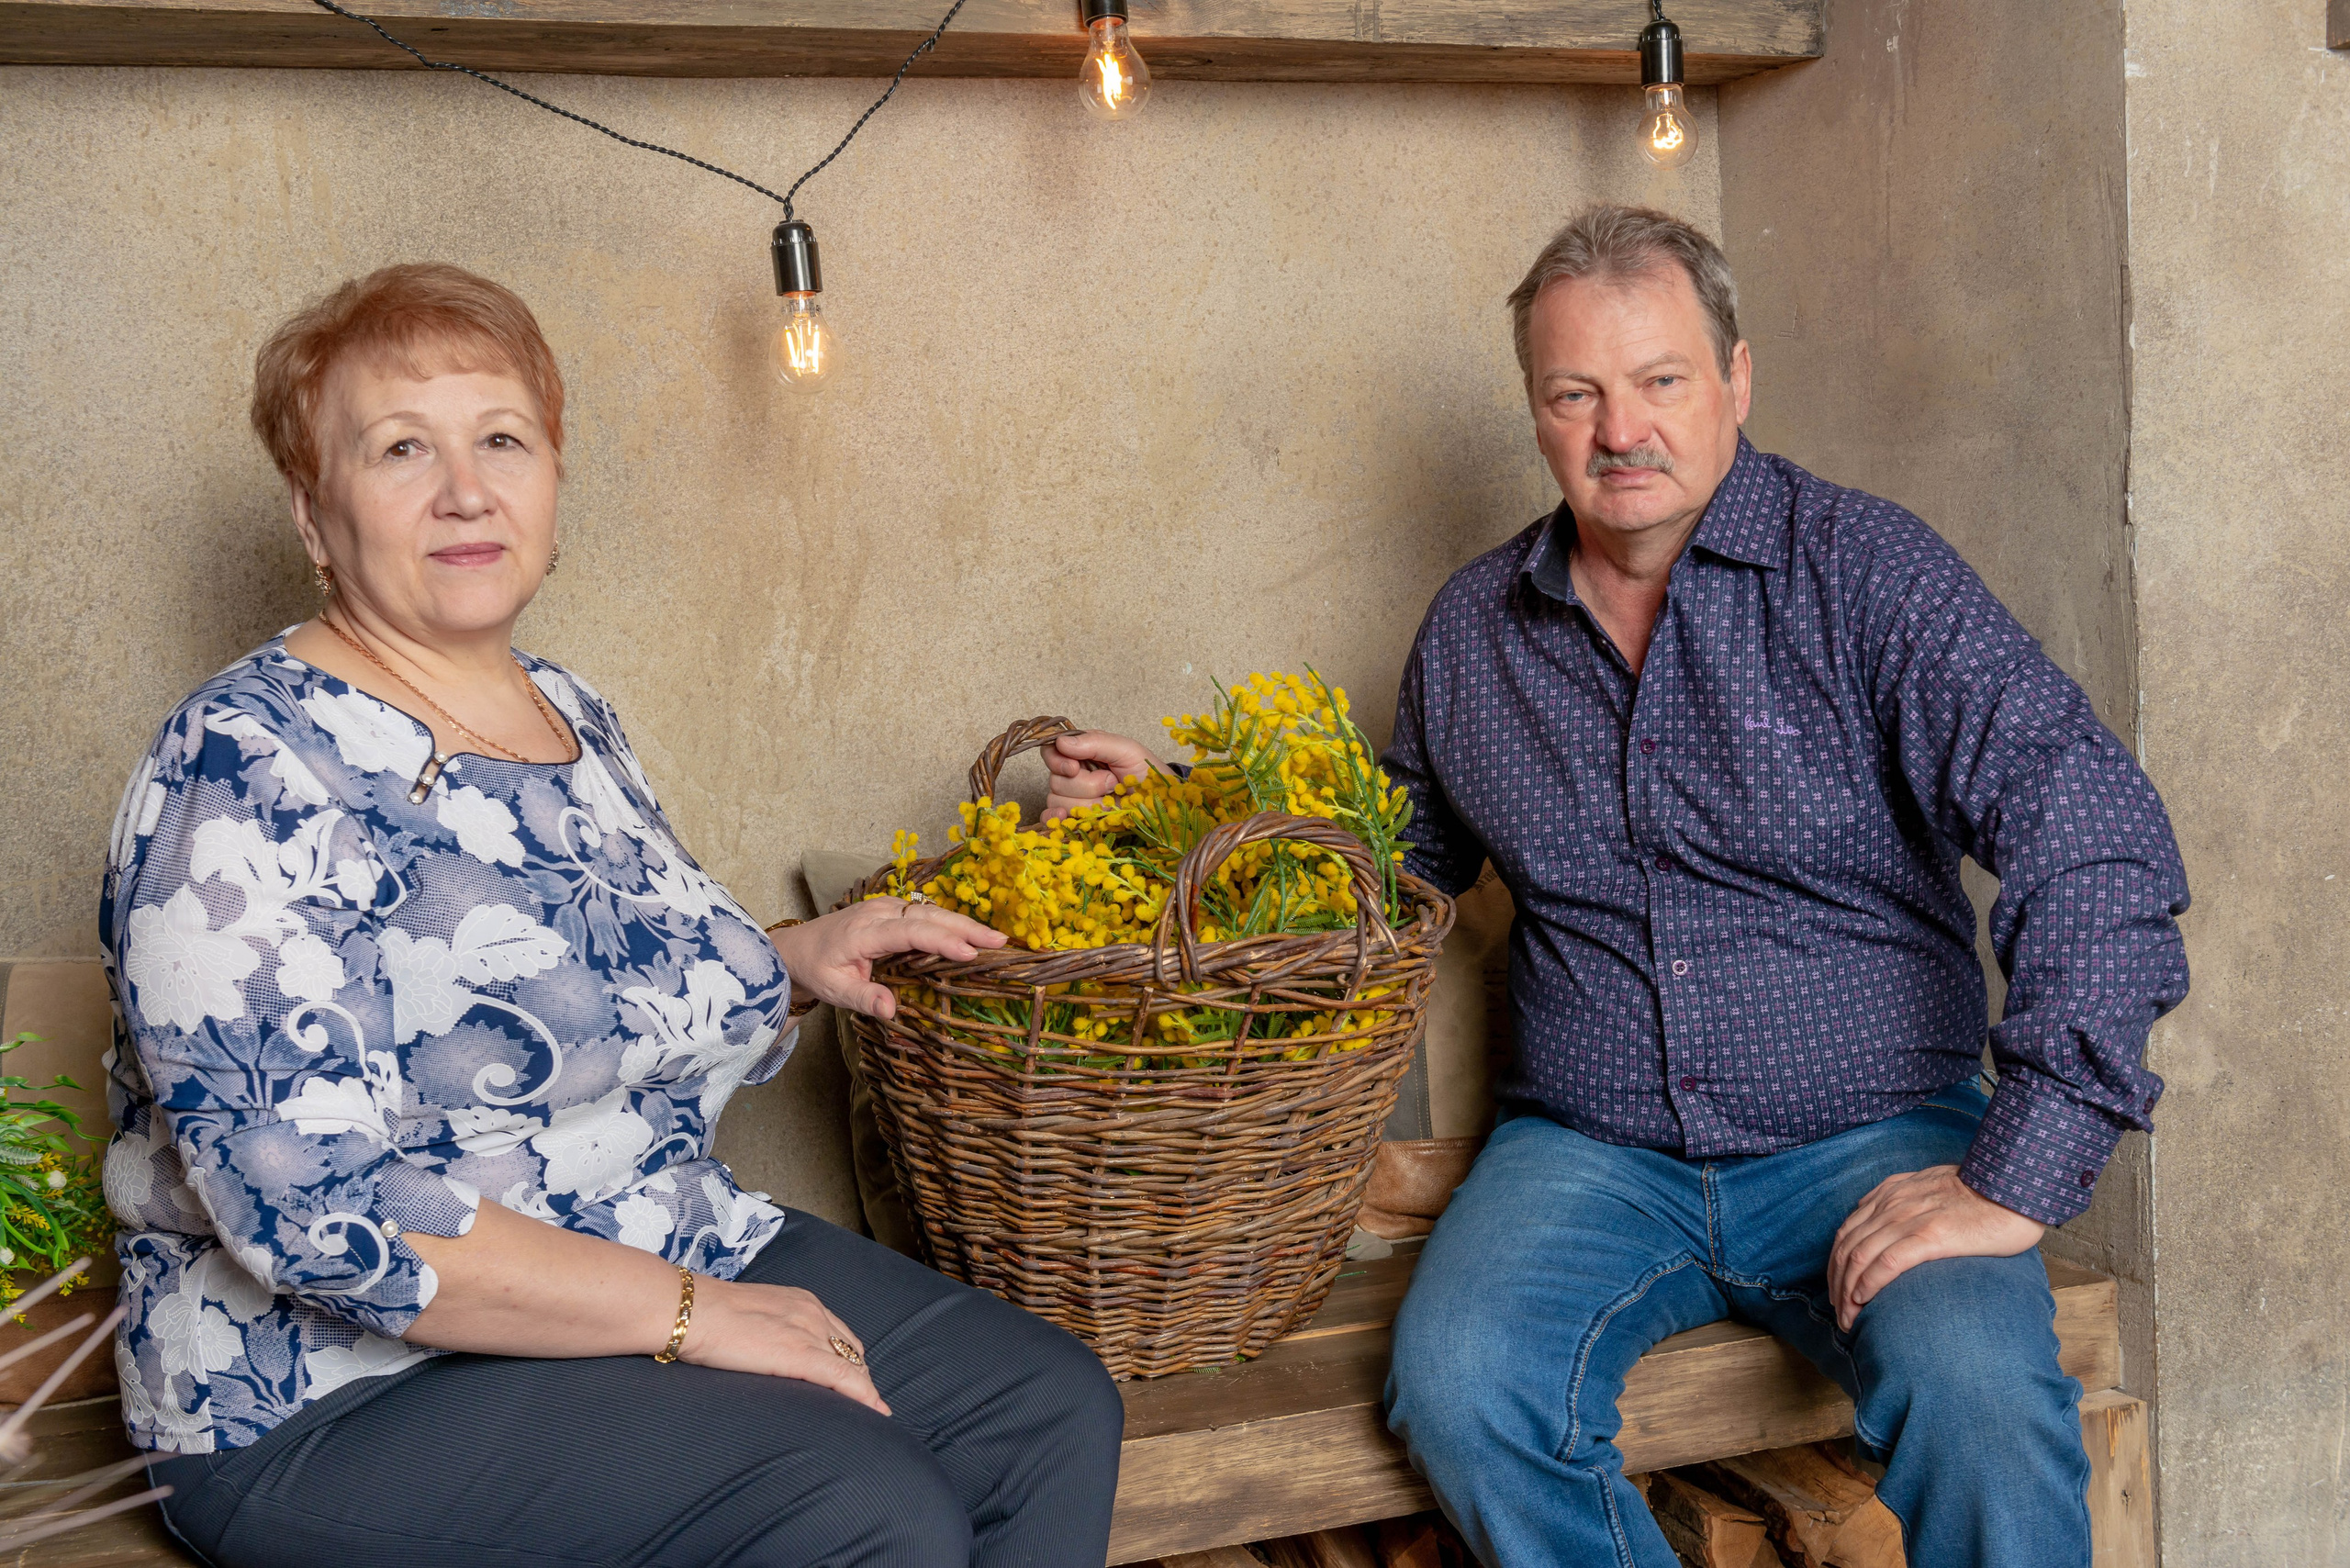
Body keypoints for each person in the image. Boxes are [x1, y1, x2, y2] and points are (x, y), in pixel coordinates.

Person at [1042, 205, 2190, 1568]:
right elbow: (1388, 866)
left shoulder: (1871, 576)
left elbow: (2097, 832)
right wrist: (1176, 819)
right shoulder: (1475, 631)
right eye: (1573, 393)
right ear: (1535, 413)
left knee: (1984, 1397)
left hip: (1874, 1135)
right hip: (1589, 1157)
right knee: (1462, 1386)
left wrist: (2018, 1171)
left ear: (1737, 380)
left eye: (1660, 380)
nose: (1620, 430)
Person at [103, 262, 1124, 1568]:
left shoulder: (570, 716)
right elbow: (311, 1209)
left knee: (1045, 1411)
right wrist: (693, 1313)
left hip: (647, 1241)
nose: (466, 490)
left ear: (552, 480)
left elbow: (596, 992)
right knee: (861, 1504)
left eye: (502, 440)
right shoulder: (240, 765)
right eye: (402, 448)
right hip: (329, 1389)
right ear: (313, 515)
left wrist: (792, 963)